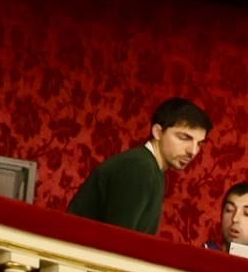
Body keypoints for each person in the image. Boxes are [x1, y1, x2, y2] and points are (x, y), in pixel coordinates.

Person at [63, 98, 210, 235]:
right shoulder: (139, 167)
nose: (192, 151)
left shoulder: (150, 169)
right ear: (158, 132)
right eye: (184, 138)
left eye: (199, 144)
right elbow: (118, 240)